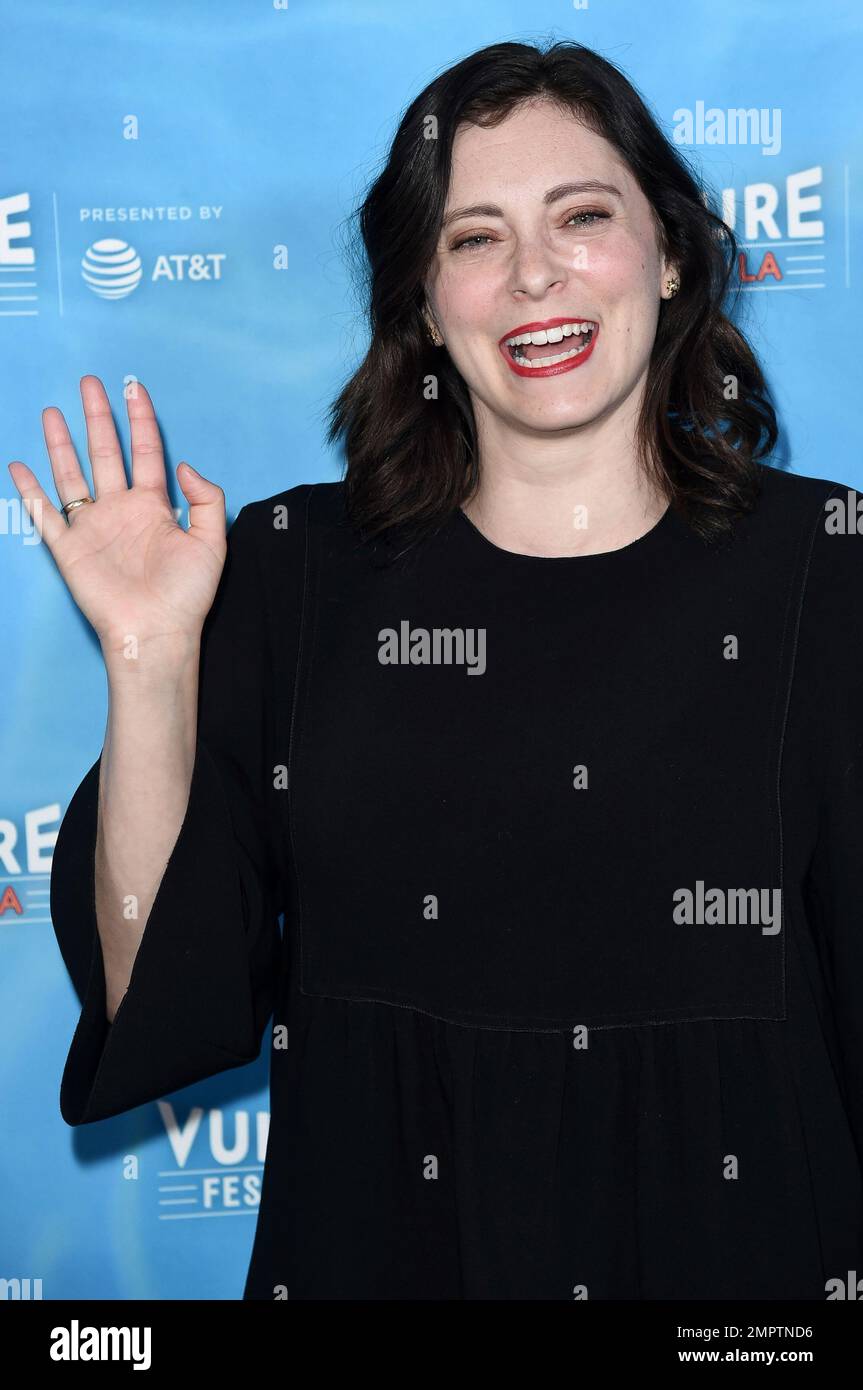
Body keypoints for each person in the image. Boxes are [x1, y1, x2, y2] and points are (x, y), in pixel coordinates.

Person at [10, 39, 863, 1301]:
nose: (532, 274)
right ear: (420, 298)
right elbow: (155, 995)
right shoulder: (291, 572)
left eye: (581, 216)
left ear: (671, 253)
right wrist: (148, 658)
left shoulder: (828, 569)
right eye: (472, 238)